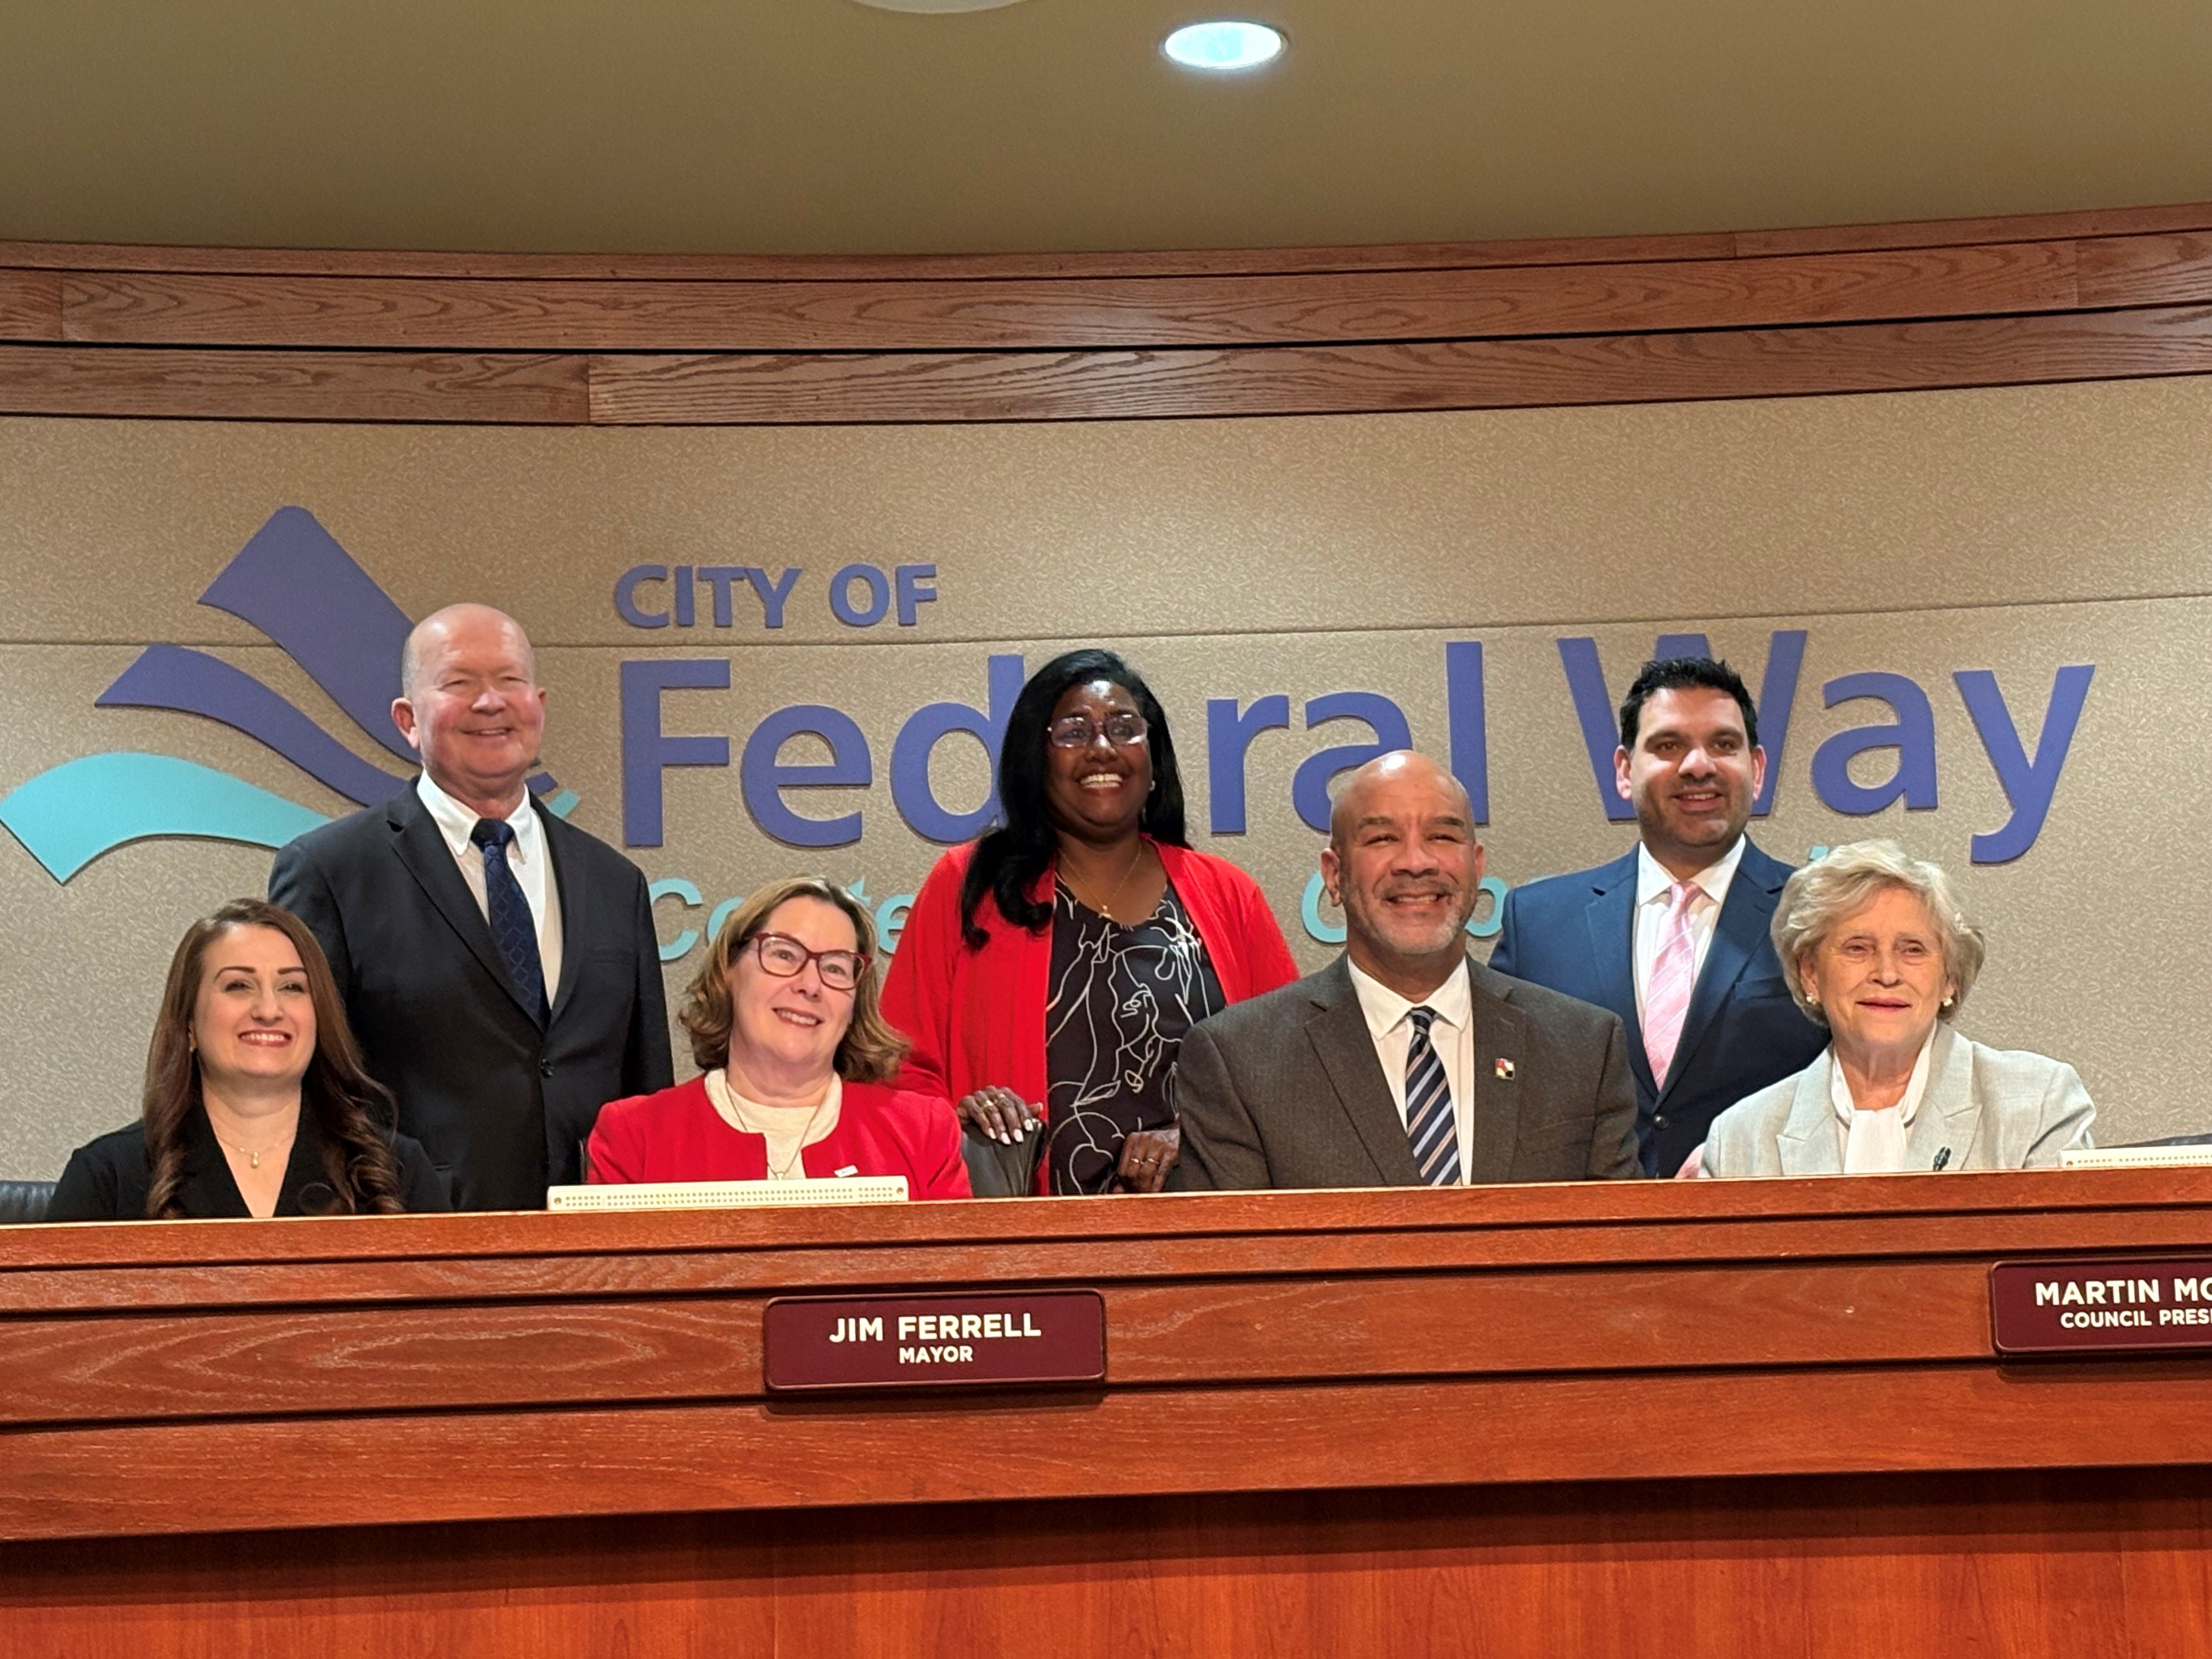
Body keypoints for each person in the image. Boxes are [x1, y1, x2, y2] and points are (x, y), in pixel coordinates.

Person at [270, 603, 672, 1210]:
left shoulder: (615, 881)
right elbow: (303, 1082)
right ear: (407, 719)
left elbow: (648, 1088)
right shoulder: (332, 871)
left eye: (510, 681)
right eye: (460, 683)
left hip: (598, 1245)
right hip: (415, 1240)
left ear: (539, 703)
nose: (491, 703)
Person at [881, 648, 1301, 1195]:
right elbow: (897, 1073)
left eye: (1125, 729)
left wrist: (1196, 1141)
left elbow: (1290, 1079)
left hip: (1204, 1249)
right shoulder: (968, 886)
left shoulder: (1228, 894)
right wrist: (957, 1122)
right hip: (1024, 1256)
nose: (1102, 748)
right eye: (1073, 732)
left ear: (1155, 762)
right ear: (1037, 760)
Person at [1172, 752, 1641, 1190]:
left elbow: (1625, 1262)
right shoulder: (1239, 1061)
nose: (1417, 863)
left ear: (1477, 867)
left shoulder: (1584, 1048)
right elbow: (1240, 1272)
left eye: (1442, 836)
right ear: (1334, 876)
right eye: (1382, 839)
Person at [1489, 656, 1826, 1177]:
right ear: (1625, 771)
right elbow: (1496, 1095)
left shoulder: (1820, 913)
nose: (1699, 765)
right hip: (1583, 1240)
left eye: (1724, 744)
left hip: (1767, 1238)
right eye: (1668, 746)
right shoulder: (1538, 923)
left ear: (1757, 770)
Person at [1699, 840, 2094, 1176]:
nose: (1887, 974)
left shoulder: (2039, 1103)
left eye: (1913, 950)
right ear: (1811, 973)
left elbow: (2062, 1263)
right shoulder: (1740, 1138)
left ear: (1950, 979)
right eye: (1858, 948)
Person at [48, 898, 448, 1221]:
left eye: (292, 987)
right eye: (239, 986)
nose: (269, 1010)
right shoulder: (108, 1177)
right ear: (188, 1022)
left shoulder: (397, 1170)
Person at [586, 878, 969, 1198]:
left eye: (835, 968)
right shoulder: (634, 1136)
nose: (809, 985)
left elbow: (954, 1285)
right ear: (729, 972)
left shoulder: (922, 1132)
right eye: (784, 955)